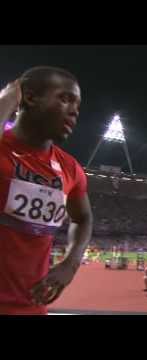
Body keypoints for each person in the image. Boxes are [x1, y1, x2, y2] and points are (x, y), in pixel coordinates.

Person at [0, 66, 93, 315]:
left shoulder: (70, 169)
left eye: (78, 106)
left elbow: (83, 218)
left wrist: (70, 265)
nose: (74, 111)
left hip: (32, 305)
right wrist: (8, 98)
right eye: (65, 98)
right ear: (29, 97)